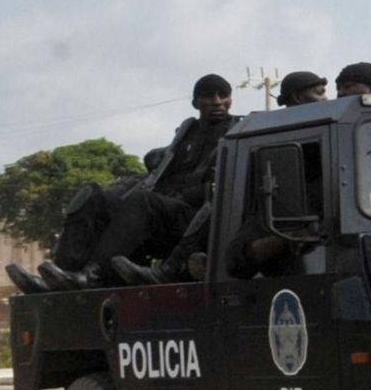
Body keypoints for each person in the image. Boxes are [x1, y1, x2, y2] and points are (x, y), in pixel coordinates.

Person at [21, 74, 240, 291]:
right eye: (209, 96)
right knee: (92, 196)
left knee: (143, 201)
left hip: (198, 220)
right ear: (196, 103)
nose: (217, 101)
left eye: (223, 95)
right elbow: (161, 169)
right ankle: (62, 275)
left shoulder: (238, 133)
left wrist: (180, 196)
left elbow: (228, 186)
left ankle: (94, 274)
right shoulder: (186, 133)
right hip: (160, 210)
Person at [113, 70, 329, 285]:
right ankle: (123, 270)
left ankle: (170, 269)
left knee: (217, 201)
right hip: (255, 209)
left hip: (271, 210)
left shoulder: (253, 127)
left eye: (222, 95)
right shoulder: (277, 126)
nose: (217, 102)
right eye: (319, 93)